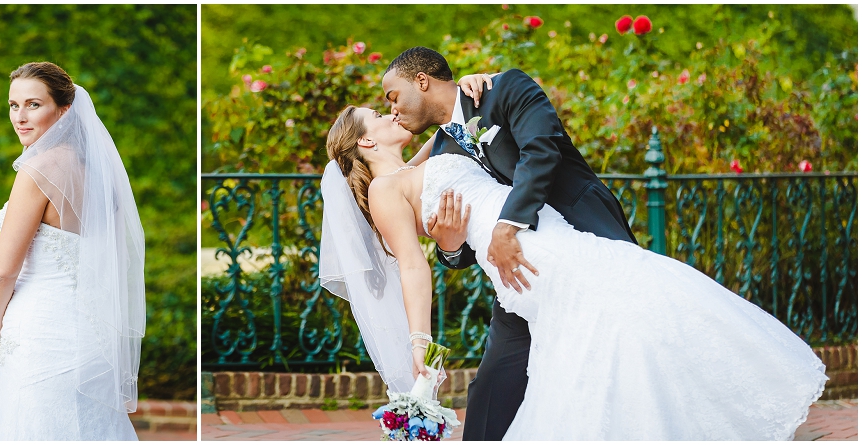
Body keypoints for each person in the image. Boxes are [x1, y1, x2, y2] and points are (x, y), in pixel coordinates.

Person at [318, 104, 826, 439]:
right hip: (531, 260)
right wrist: (419, 344)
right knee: (631, 297)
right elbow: (412, 264)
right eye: (377, 116)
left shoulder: (419, 163)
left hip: (552, 236)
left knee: (609, 330)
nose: (389, 113)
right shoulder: (386, 191)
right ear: (364, 142)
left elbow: (456, 119)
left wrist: (472, 86)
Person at [380, 46, 637, 440]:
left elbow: (541, 150)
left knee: (613, 358)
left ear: (421, 80)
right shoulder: (443, 149)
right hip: (519, 275)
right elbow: (461, 229)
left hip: (583, 236)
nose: (392, 109)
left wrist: (507, 226)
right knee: (491, 391)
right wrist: (449, 247)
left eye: (392, 96)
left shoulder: (504, 88)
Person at [0, 62, 145, 440]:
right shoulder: (94, 170)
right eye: (13, 106)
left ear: (63, 109)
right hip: (87, 335)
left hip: (41, 337)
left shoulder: (36, 170)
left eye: (33, 105)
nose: (20, 117)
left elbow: (2, 270)